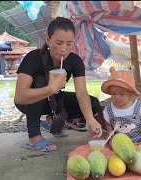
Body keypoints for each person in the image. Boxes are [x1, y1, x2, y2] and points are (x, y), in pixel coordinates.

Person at [14, 17, 104, 152]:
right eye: (59, 42)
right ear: (48, 40)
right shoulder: (34, 58)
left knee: (94, 103)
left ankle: (52, 119)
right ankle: (34, 138)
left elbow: (81, 92)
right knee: (39, 82)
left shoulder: (74, 61)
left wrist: (90, 119)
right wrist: (50, 88)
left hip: (54, 101)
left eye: (69, 44)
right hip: (28, 102)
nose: (64, 49)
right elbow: (20, 97)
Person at [101, 67, 141, 146]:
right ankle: (132, 145)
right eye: (113, 94)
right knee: (112, 143)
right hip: (122, 138)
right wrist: (109, 131)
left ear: (130, 93)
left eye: (122, 94)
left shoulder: (137, 105)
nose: (117, 97)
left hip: (140, 133)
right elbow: (107, 123)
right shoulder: (109, 109)